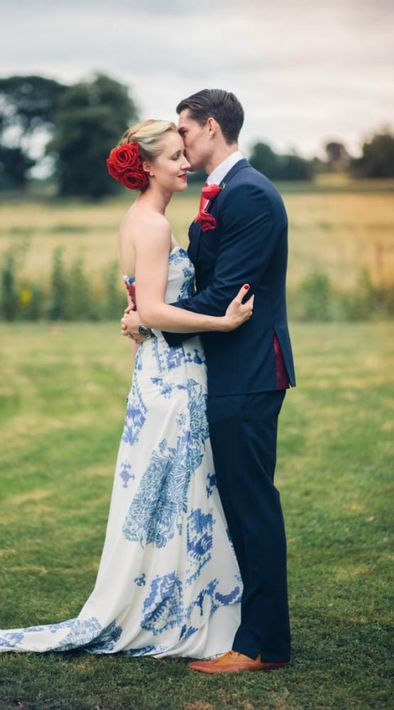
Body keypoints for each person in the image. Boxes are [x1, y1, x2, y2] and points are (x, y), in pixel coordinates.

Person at [0, 119, 254, 659]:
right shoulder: (156, 227)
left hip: (153, 374)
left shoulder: (135, 220)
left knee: (165, 493)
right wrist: (223, 324)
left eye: (185, 155)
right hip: (175, 375)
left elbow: (141, 306)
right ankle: (181, 614)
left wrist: (138, 318)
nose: (185, 164)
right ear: (148, 167)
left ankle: (171, 603)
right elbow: (157, 310)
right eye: (174, 158)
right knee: (181, 493)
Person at [122, 90, 296, 673]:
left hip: (247, 371)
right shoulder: (222, 193)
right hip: (223, 370)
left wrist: (152, 317)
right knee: (240, 506)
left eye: (186, 131)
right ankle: (247, 629)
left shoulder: (250, 196)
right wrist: (146, 310)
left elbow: (228, 297)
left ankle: (262, 646)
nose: (182, 142)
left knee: (253, 507)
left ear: (212, 128)